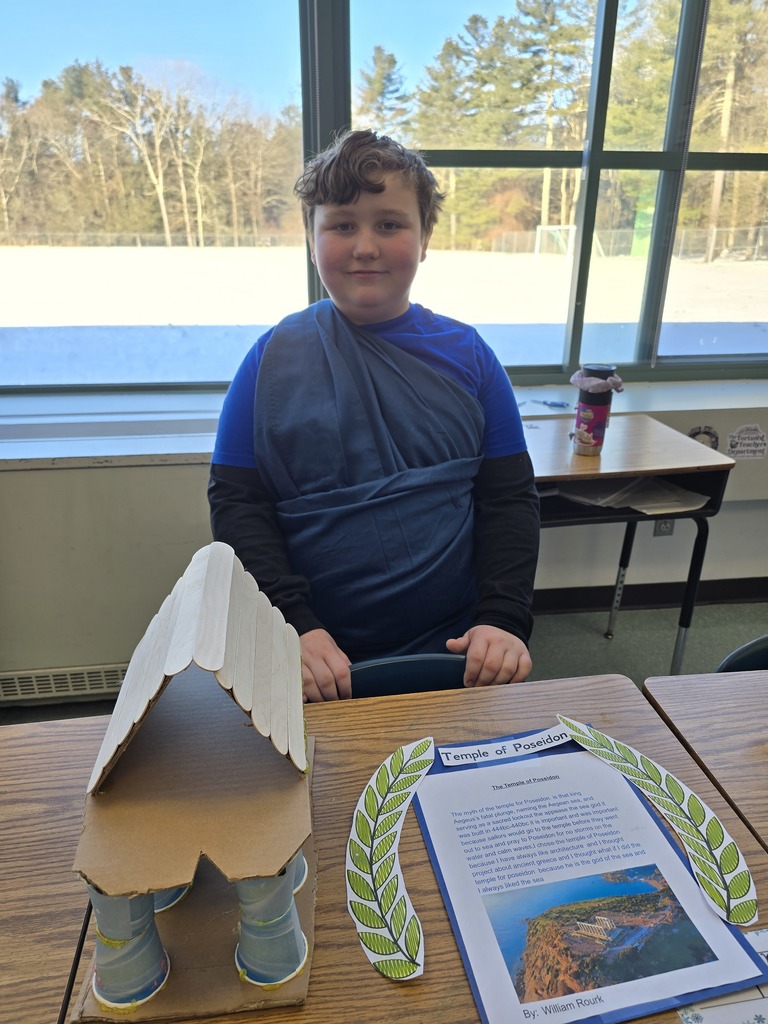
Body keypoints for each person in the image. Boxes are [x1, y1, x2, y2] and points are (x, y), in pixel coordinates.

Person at [208, 129, 539, 701]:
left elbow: (508, 499)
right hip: (314, 658)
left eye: (389, 224)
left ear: (425, 237)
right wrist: (292, 623)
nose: (365, 246)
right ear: (311, 238)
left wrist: (503, 619)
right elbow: (239, 505)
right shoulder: (269, 361)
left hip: (457, 650)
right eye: (341, 226)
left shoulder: (470, 356)